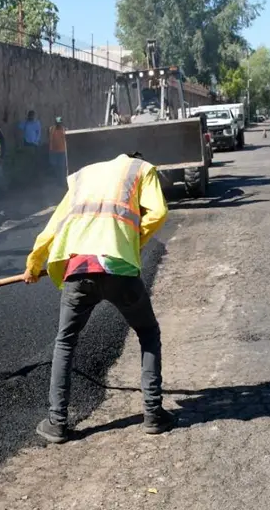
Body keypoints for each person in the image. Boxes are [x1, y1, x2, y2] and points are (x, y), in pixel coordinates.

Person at [23, 152, 175, 444]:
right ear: (135, 159)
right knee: (147, 332)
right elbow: (158, 213)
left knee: (65, 341)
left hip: (79, 269)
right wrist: (131, 243)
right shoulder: (142, 170)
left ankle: (57, 422)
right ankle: (153, 413)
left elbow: (54, 226)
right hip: (119, 268)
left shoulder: (85, 176)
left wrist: (33, 263)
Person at [48, 116, 67, 185]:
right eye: (57, 123)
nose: (59, 124)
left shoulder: (63, 129)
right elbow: (50, 139)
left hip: (61, 150)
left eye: (60, 123)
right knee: (55, 166)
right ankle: (58, 179)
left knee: (61, 167)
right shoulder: (52, 129)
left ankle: (61, 181)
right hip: (54, 150)